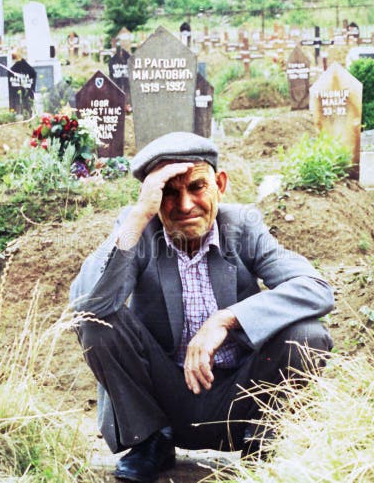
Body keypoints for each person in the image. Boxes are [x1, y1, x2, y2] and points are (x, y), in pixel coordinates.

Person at [69, 131, 334, 483]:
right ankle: (150, 442)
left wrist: (226, 320)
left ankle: (263, 440)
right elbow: (88, 306)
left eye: (197, 187)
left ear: (220, 184)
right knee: (97, 324)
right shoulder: (139, 231)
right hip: (163, 401)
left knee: (307, 334)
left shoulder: (242, 226)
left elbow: (315, 288)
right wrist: (138, 217)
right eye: (169, 193)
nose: (184, 205)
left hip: (241, 397)